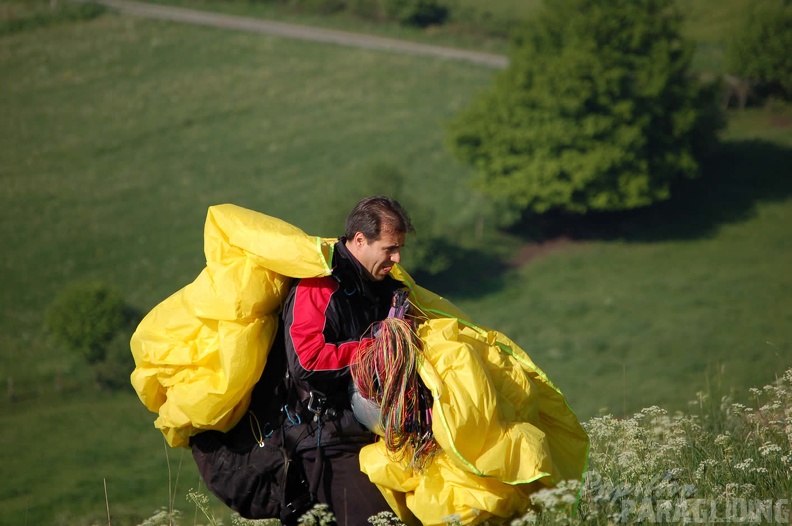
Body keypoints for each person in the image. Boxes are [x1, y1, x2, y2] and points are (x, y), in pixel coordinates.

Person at [280, 196, 414, 525]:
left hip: (369, 434)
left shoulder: (385, 289)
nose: (396, 259)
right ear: (359, 240)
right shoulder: (320, 285)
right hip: (323, 435)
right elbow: (307, 361)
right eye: (389, 249)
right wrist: (375, 349)